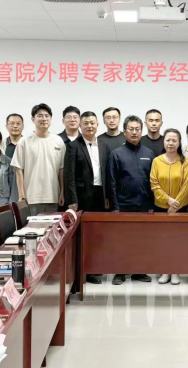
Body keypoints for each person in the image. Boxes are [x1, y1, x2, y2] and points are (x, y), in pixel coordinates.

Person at [108, 115, 155, 286]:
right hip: (123, 205)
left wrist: (151, 204)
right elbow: (111, 181)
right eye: (131, 129)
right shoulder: (116, 153)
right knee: (122, 240)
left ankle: (139, 271)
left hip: (144, 205)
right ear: (124, 131)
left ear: (141, 131)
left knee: (141, 240)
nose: (134, 132)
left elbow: (153, 181)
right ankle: (120, 272)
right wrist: (115, 206)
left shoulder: (149, 153)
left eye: (137, 129)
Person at [64, 112, 111, 285]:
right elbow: (69, 175)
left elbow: (107, 172)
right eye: (86, 123)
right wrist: (72, 200)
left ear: (98, 124)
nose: (89, 126)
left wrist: (108, 196)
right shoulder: (73, 146)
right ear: (80, 126)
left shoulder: (104, 145)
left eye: (92, 123)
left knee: (98, 234)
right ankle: (83, 271)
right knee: (84, 235)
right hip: (83, 197)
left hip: (100, 195)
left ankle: (95, 267)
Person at [150, 129, 188, 286]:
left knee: (177, 241)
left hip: (180, 209)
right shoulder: (157, 161)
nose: (171, 143)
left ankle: (175, 271)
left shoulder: (185, 162)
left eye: (174, 140)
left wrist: (175, 205)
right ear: (164, 142)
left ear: (179, 143)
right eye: (168, 140)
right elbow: (154, 183)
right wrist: (167, 200)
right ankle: (165, 270)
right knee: (162, 241)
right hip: (161, 208)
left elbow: (186, 185)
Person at [11, 104, 66, 216]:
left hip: (53, 196)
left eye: (46, 116)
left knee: (52, 227)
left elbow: (62, 170)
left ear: (51, 119)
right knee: (33, 227)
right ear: (33, 119)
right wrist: (21, 195)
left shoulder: (58, 141)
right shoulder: (24, 142)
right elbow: (19, 170)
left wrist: (62, 192)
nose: (44, 119)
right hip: (31, 198)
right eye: (40, 116)